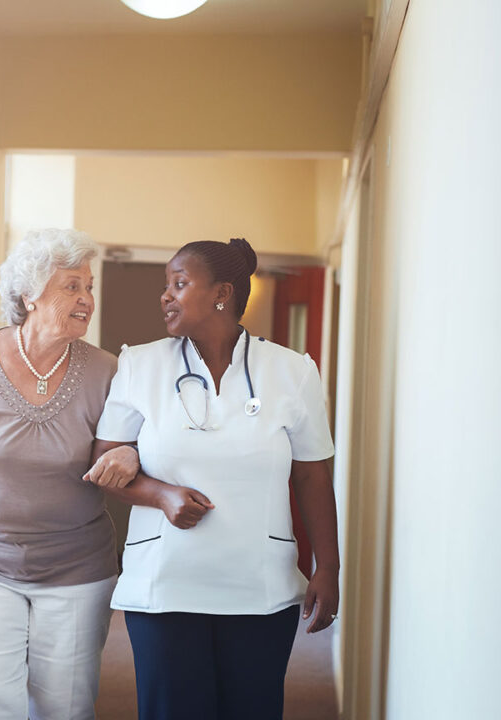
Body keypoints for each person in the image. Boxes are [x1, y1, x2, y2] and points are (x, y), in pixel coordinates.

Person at [89, 238, 340, 720]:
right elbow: (103, 467)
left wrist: (328, 566)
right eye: (166, 285)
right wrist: (161, 495)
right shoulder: (140, 365)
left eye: (179, 284)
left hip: (260, 587)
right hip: (165, 587)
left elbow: (313, 476)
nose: (165, 296)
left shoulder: (292, 372)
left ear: (222, 293)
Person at [0, 228, 139, 720]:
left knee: (66, 710)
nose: (86, 299)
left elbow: (135, 448)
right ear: (29, 294)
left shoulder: (107, 372)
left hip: (78, 567)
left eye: (89, 286)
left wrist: (133, 456)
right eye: (71, 286)